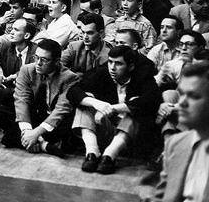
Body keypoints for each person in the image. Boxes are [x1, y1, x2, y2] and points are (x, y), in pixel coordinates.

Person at [68, 44, 161, 174]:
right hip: (106, 129)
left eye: (118, 64)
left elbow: (152, 101)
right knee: (85, 102)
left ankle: (109, 156)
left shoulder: (142, 77)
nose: (112, 67)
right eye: (110, 62)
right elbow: (73, 91)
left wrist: (113, 108)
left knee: (135, 107)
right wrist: (97, 104)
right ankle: (92, 153)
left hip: (131, 138)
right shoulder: (103, 72)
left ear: (131, 66)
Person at [140, 59, 209, 202]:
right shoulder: (176, 144)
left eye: (194, 96)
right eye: (182, 94)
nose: (182, 103)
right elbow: (161, 198)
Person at [3, 38, 79, 154]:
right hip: (35, 115)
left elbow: (61, 110)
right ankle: (44, 145)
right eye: (36, 57)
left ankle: (37, 141)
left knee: (68, 129)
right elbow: (22, 100)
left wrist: (36, 133)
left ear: (57, 61)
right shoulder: (27, 70)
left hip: (53, 120)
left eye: (44, 60)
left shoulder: (69, 77)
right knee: (6, 128)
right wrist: (28, 132)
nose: (38, 63)